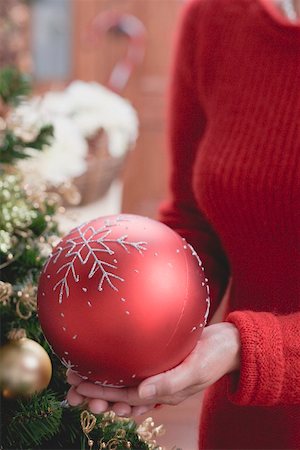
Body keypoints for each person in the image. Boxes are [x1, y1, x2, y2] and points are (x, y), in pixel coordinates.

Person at [66, 0, 300, 448]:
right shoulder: (214, 17)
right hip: (245, 428)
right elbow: (195, 221)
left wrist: (246, 349)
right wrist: (145, 343)